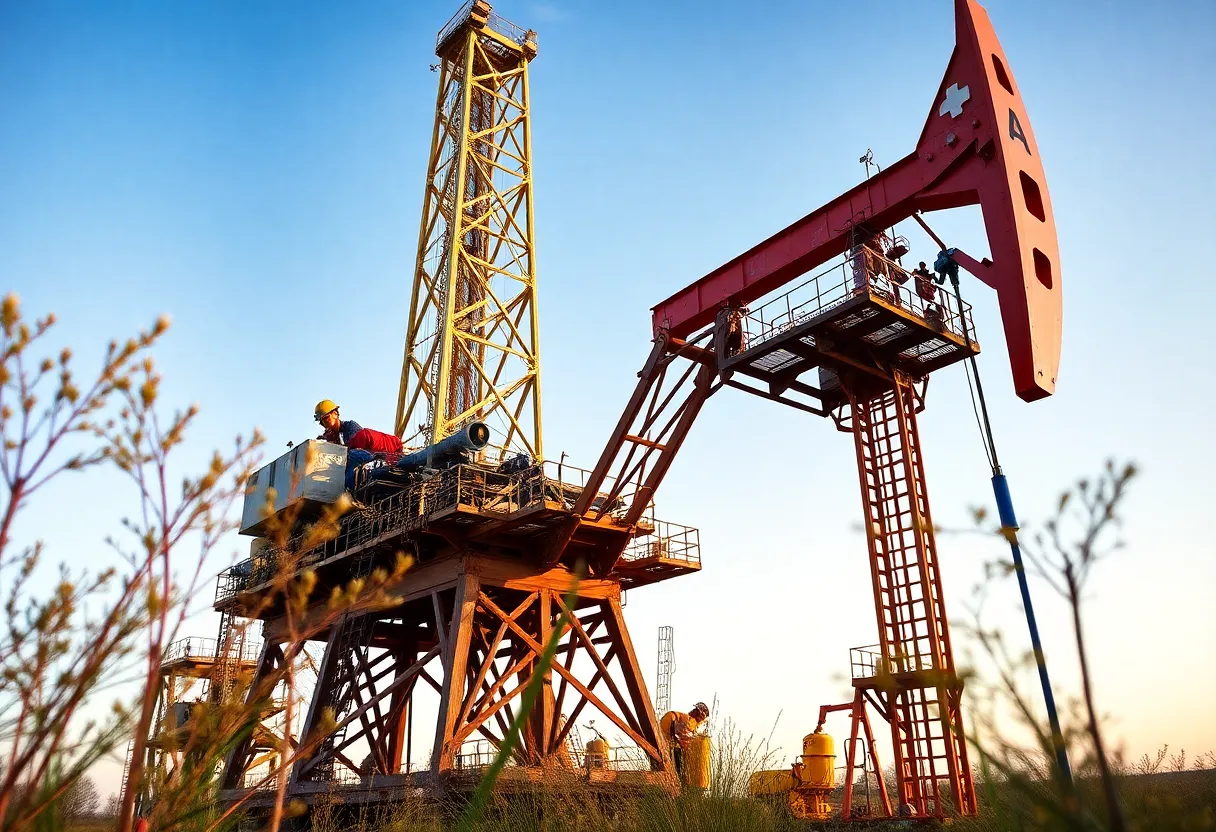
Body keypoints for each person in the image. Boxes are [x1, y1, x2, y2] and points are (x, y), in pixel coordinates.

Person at [660, 701, 710, 778]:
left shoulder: (688, 720)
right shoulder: (689, 721)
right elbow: (681, 737)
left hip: (663, 732)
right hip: (667, 733)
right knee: (676, 759)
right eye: (695, 710)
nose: (693, 711)